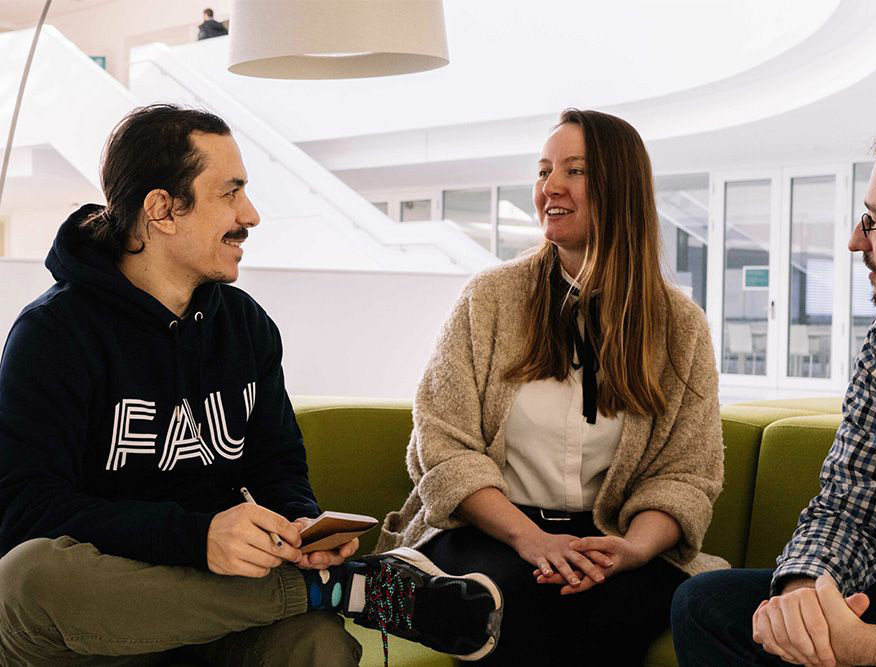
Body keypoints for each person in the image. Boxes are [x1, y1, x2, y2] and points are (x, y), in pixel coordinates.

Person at [0, 104, 502, 666]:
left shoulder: (245, 326)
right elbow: (25, 511)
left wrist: (303, 528)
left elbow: (278, 468)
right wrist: (196, 538)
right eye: (229, 193)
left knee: (318, 644)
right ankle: (349, 590)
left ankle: (330, 587)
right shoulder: (54, 334)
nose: (251, 215)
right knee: (27, 578)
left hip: (225, 621)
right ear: (162, 209)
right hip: (107, 623)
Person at [376, 108, 725, 665]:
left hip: (607, 535)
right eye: (544, 171)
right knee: (517, 597)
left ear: (621, 189)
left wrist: (632, 550)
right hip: (490, 529)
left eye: (575, 171)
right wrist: (529, 539)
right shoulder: (489, 299)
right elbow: (441, 446)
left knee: (624, 608)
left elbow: (685, 473)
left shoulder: (679, 326)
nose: (550, 187)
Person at [671, 113, 876, 667]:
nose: (854, 241)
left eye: (873, 223)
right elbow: (851, 504)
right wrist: (801, 596)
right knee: (707, 603)